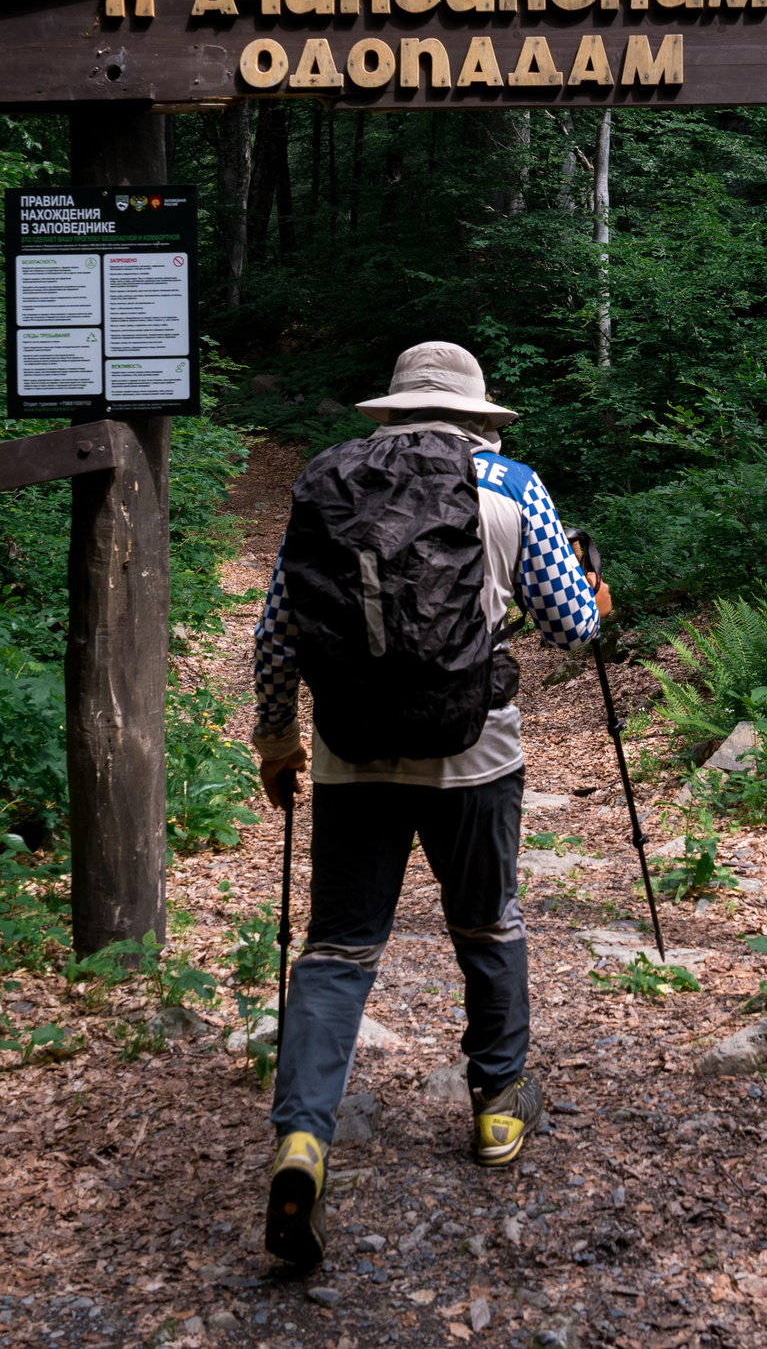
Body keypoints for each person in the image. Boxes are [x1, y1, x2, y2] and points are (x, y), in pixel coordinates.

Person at [249, 341, 610, 1269]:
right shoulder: (512, 487)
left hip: (349, 751)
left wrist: (277, 737)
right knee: (489, 922)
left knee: (336, 950)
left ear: (393, 410)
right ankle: (495, 1108)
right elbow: (574, 622)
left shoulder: (328, 482)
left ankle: (302, 1142)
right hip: (476, 753)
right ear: (478, 417)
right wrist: (590, 597)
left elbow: (279, 627)